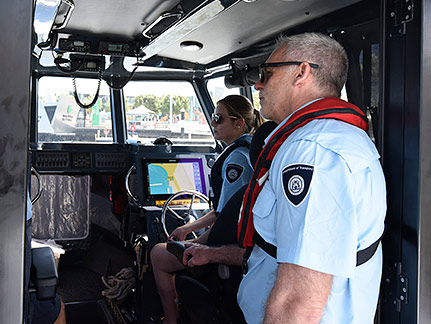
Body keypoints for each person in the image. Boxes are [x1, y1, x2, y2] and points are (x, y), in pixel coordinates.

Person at [182, 32, 386, 324]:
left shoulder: (313, 153)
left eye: (266, 73)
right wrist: (212, 253)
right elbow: (274, 250)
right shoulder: (323, 140)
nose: (258, 84)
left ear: (302, 73)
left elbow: (300, 299)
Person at [151, 94, 264, 324]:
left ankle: (170, 320)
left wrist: (196, 243)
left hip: (229, 244)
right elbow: (225, 211)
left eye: (218, 118)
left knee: (158, 254)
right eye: (213, 117)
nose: (212, 123)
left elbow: (224, 223)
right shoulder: (252, 151)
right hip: (245, 238)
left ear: (239, 123)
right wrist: (188, 227)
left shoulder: (235, 162)